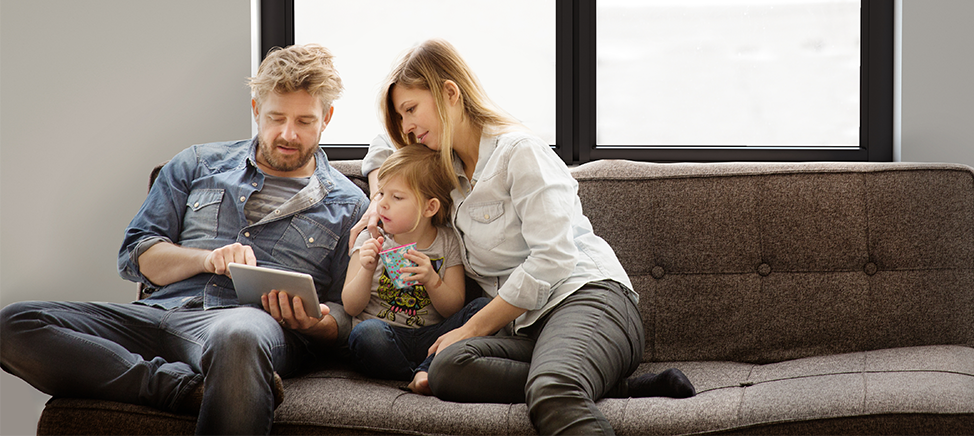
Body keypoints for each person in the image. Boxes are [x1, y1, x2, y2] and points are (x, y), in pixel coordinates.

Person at [0, 44, 369, 436]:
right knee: (15, 323)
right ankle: (181, 388)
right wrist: (205, 259)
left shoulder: (349, 205)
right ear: (256, 109)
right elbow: (138, 254)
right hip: (159, 313)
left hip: (247, 325)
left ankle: (187, 380)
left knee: (239, 335)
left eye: (304, 121)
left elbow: (351, 313)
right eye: (276, 117)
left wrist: (317, 324)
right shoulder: (197, 164)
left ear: (327, 118)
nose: (287, 134)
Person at [366, 38, 693, 436]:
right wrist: (376, 195)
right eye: (401, 116)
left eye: (412, 110)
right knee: (448, 368)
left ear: (450, 92)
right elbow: (384, 145)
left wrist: (470, 328)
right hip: (526, 327)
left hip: (585, 299)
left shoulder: (519, 152)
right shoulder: (445, 171)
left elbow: (552, 259)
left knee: (553, 391)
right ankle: (614, 386)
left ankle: (569, 382)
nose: (407, 126)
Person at [343, 143, 489, 392]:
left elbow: (452, 308)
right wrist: (367, 270)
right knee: (366, 335)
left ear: (429, 207)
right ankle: (425, 370)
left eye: (396, 197)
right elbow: (351, 306)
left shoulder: (447, 241)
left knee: (483, 309)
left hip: (432, 335)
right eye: (381, 194)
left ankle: (427, 366)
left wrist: (432, 280)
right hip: (385, 334)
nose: (382, 204)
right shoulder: (369, 239)